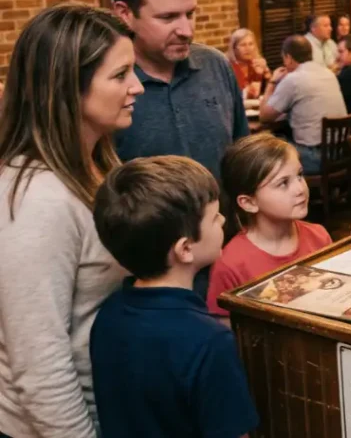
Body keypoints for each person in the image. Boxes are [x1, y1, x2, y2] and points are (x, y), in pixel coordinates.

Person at [0, 4, 143, 438]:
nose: (137, 86)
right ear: (67, 88)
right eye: (120, 75)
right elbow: (39, 362)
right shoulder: (38, 200)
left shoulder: (97, 164)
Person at [90, 156, 259, 438]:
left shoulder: (108, 315)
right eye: (214, 217)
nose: (223, 220)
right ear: (185, 249)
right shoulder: (210, 341)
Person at [110, 0, 248, 182]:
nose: (186, 31)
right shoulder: (106, 87)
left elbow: (242, 157)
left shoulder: (215, 65)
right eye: (168, 17)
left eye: (190, 14)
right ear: (125, 13)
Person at [207, 134, 332, 319]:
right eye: (283, 183)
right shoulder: (230, 265)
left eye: (299, 175)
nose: (300, 189)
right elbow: (226, 326)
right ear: (249, 202)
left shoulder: (319, 237)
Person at [260, 35, 348, 175]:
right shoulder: (328, 73)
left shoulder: (293, 79)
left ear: (288, 58)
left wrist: (272, 82)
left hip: (315, 157)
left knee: (266, 148)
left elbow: (265, 116)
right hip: (341, 152)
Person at [227, 28, 270, 100]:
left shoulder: (257, 62)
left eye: (251, 44)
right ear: (234, 48)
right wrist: (247, 92)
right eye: (243, 45)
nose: (248, 48)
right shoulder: (229, 67)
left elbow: (272, 91)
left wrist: (266, 72)